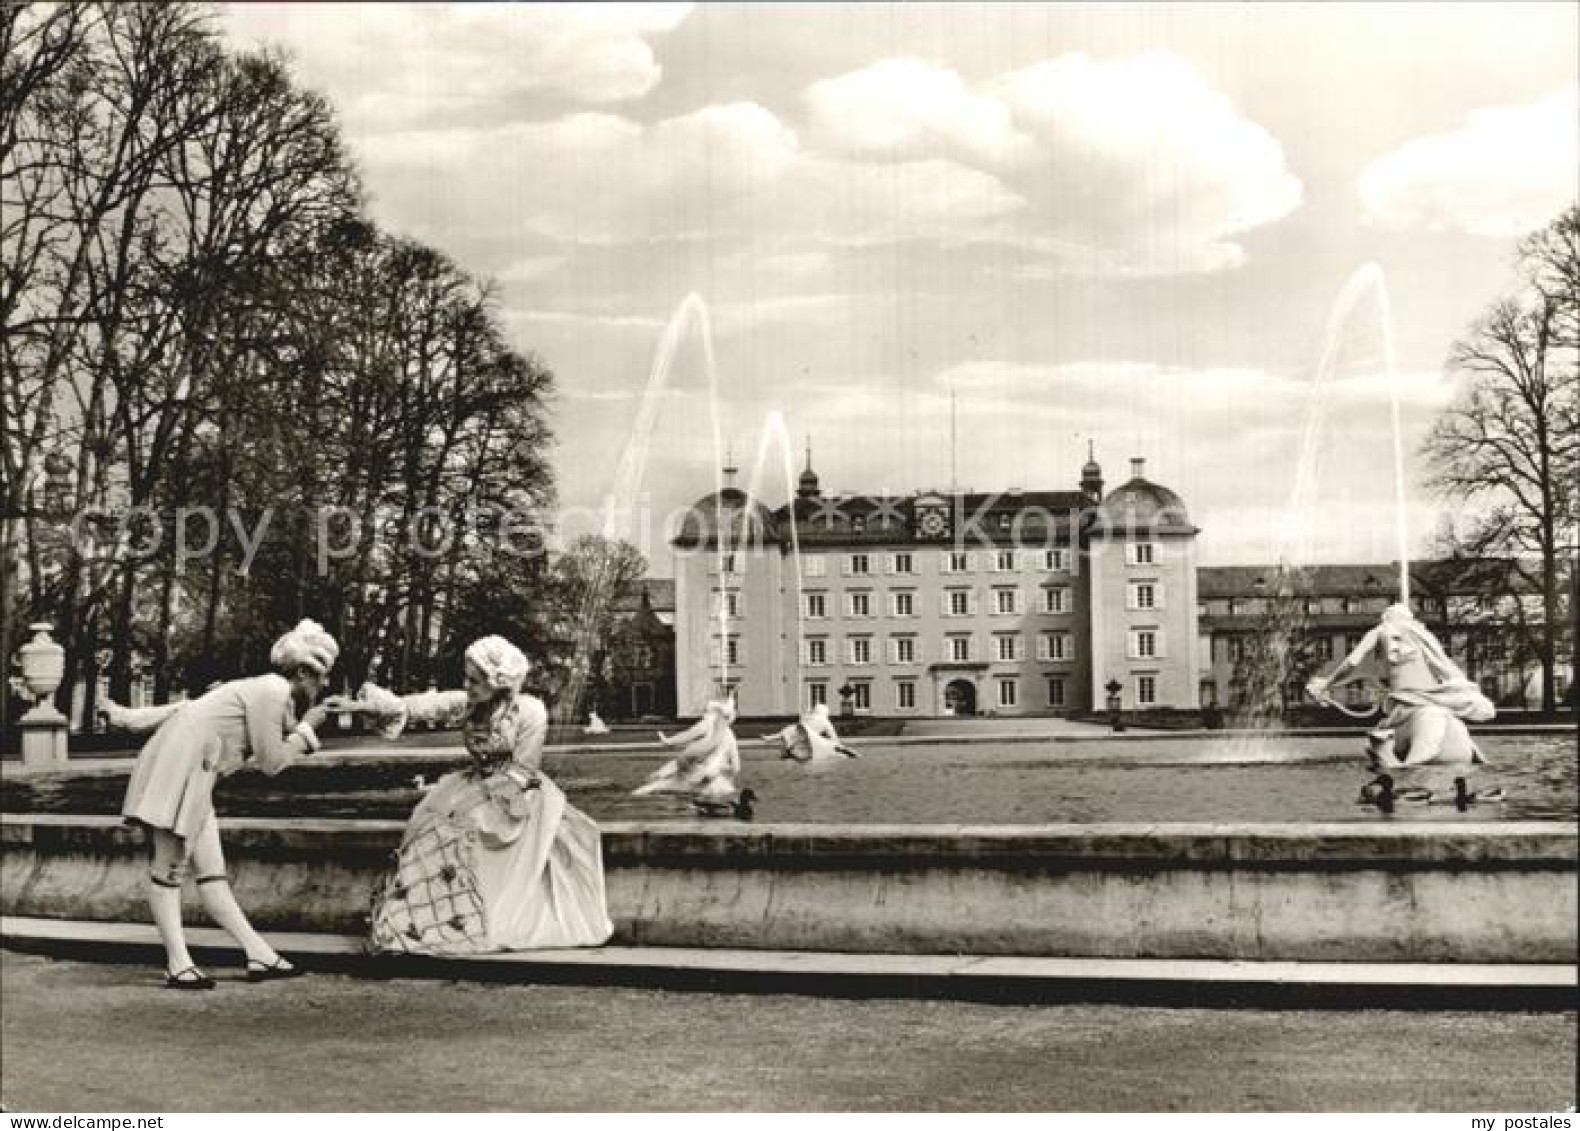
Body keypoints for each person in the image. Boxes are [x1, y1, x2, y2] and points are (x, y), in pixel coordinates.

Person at [347, 636, 613, 955]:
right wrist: (364, 706)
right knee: (433, 826)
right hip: (472, 786)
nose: (468, 686)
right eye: (467, 679)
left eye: (475, 680)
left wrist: (481, 803)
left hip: (517, 798)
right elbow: (419, 706)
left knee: (468, 827)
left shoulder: (528, 711)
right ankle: (426, 919)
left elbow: (525, 771)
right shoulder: (469, 703)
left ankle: (481, 916)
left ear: (496, 681)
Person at [120, 619, 337, 989]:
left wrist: (303, 725)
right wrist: (307, 729)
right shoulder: (272, 692)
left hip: (195, 771)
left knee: (212, 873)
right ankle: (178, 963)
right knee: (168, 868)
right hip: (182, 768)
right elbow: (272, 763)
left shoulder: (267, 691)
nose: (324, 684)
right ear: (302, 672)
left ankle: (258, 953)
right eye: (320, 676)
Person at [1307, 603, 1495, 766]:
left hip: (1408, 701)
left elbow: (1352, 662)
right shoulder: (1421, 634)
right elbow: (1442, 664)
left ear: (1386, 618)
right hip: (1433, 697)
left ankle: (1394, 759)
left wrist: (1327, 682)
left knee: (1380, 736)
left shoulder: (1380, 630)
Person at [633, 696, 743, 801]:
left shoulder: (708, 724)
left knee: (657, 782)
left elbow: (687, 735)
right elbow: (736, 767)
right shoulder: (730, 736)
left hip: (693, 771)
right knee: (710, 781)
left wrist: (669, 741)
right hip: (709, 776)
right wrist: (723, 771)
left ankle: (643, 790)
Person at [775, 703, 858, 763]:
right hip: (810, 750)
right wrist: (844, 750)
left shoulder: (805, 718)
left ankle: (788, 753)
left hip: (794, 747)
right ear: (825, 712)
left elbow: (792, 731)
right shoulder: (825, 722)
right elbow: (835, 740)